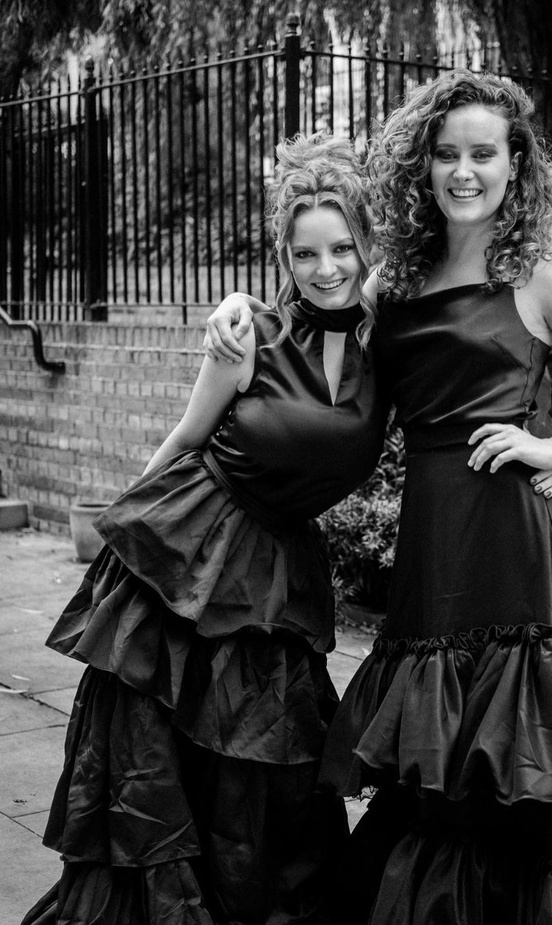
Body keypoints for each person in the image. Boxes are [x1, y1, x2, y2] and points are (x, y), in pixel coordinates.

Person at [205, 71, 552, 924]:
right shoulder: (395, 280)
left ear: (515, 163)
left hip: (522, 548)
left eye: (483, 154)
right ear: (424, 164)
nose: (464, 171)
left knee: (542, 740)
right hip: (436, 546)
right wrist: (238, 302)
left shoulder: (543, 276)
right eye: (447, 154)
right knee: (446, 752)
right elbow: (314, 308)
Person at [21, 133, 389, 925]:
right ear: (283, 257)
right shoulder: (248, 331)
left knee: (270, 767)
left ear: (367, 245)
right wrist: (125, 540)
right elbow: (186, 440)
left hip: (280, 573)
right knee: (162, 756)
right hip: (192, 547)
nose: (325, 268)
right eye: (303, 253)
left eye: (341, 248)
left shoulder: (384, 353)